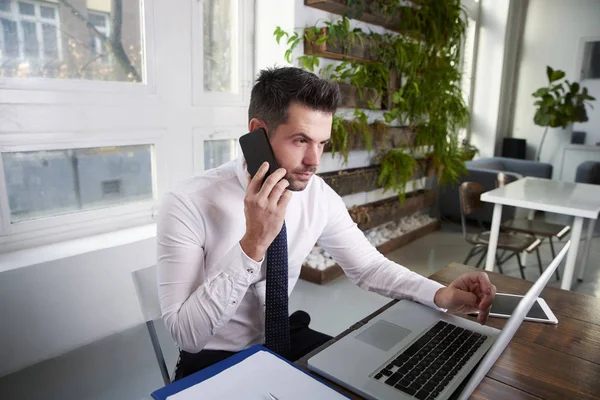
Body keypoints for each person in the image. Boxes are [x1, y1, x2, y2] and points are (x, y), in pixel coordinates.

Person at [157, 66, 496, 381]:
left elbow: (368, 267)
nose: (313, 162)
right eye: (301, 140)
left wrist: (440, 294)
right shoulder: (188, 203)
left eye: (322, 143)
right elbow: (189, 336)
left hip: (282, 337)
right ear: (258, 133)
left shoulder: (318, 195)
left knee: (381, 379)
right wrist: (252, 245)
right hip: (214, 356)